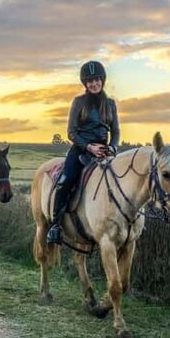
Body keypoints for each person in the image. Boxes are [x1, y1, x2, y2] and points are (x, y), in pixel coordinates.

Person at [47, 60, 120, 245]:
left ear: (102, 80)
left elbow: (116, 131)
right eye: (89, 81)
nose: (93, 84)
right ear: (85, 84)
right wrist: (89, 147)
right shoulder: (79, 102)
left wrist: (112, 147)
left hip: (104, 151)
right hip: (81, 149)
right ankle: (55, 226)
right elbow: (71, 132)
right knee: (66, 180)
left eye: (96, 80)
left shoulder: (110, 104)